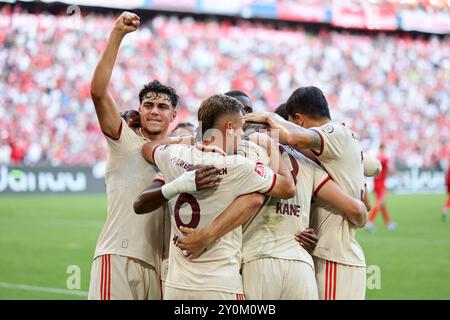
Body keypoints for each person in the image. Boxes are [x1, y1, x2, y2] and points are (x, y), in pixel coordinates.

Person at [135, 94, 295, 299]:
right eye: (240, 129)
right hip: (220, 284)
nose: (242, 136)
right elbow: (287, 187)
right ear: (229, 127)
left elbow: (147, 147)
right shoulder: (240, 166)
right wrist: (270, 144)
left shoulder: (173, 155)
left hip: (177, 286)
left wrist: (195, 138)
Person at [88, 11, 180, 300]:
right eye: (148, 105)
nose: (154, 110)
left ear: (173, 115)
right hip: (117, 256)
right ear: (139, 110)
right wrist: (117, 34)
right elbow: (98, 92)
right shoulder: (123, 139)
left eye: (162, 107)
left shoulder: (178, 154)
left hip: (158, 268)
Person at [245, 86, 368, 300]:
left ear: (299, 120)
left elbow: (293, 138)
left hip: (334, 256)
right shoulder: (336, 148)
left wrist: (269, 117)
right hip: (324, 255)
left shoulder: (334, 133)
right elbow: (366, 196)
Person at [366, 144, 396, 231]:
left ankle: (389, 223)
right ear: (384, 148)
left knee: (382, 204)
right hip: (382, 184)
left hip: (376, 184)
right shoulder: (386, 158)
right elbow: (391, 169)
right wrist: (395, 174)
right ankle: (370, 222)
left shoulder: (375, 158)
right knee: (379, 203)